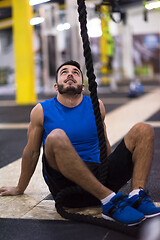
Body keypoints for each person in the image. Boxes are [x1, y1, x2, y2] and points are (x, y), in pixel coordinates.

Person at [0, 60, 160, 226]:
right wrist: (20, 187)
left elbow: (103, 143)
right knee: (56, 136)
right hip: (67, 187)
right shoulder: (41, 111)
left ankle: (136, 195)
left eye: (75, 72)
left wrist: (115, 171)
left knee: (144, 129)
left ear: (83, 86)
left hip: (99, 177)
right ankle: (108, 199)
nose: (70, 74)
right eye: (64, 72)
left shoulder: (96, 106)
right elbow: (32, 152)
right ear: (56, 86)